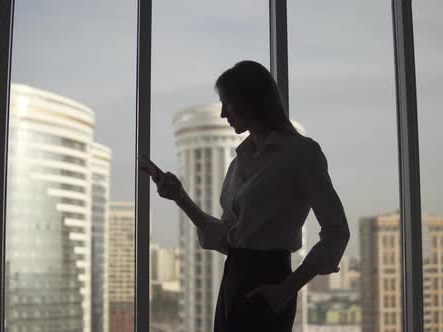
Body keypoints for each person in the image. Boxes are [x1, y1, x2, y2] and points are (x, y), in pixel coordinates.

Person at [142, 60, 350, 332]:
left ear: (249, 100)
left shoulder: (301, 153)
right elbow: (228, 239)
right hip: (234, 279)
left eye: (227, 103)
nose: (223, 114)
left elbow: (337, 231)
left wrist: (286, 290)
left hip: (270, 283)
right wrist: (179, 196)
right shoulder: (239, 161)